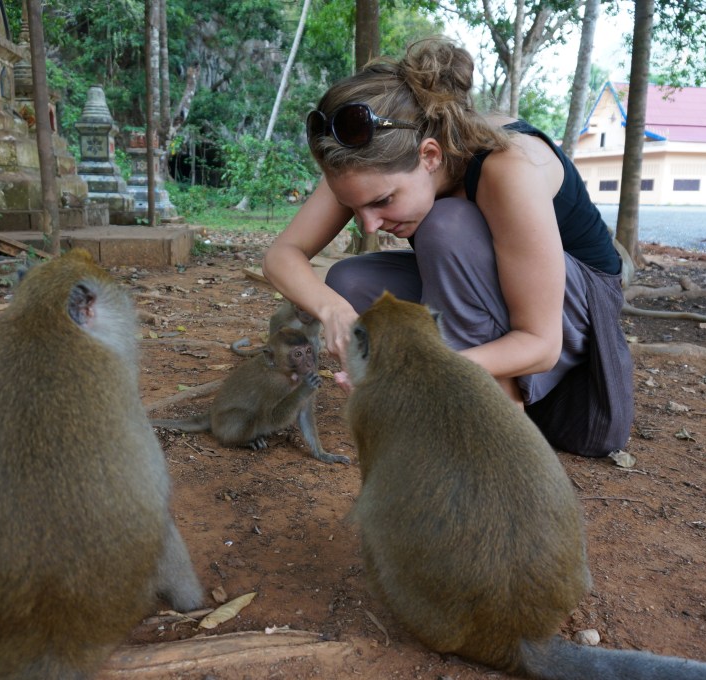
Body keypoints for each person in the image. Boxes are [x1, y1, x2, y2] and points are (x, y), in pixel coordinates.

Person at [261, 36, 633, 457]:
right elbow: (280, 256)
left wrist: (417, 375)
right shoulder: (368, 164)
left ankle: (494, 415)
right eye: (354, 207)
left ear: (431, 155)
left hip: (576, 319)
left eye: (383, 202)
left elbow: (541, 343)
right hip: (490, 310)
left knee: (446, 225)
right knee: (349, 278)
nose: (369, 224)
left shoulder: (508, 166)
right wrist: (334, 311)